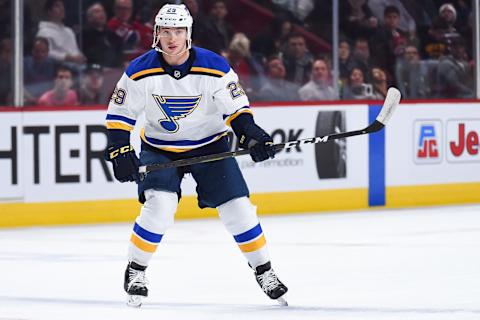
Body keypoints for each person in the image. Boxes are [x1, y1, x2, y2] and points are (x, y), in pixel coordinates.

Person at [104, 4, 288, 307]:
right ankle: (135, 270)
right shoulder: (139, 71)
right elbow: (119, 114)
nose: (172, 38)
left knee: (239, 209)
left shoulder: (214, 66)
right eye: (166, 31)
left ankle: (264, 270)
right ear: (156, 34)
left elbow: (237, 111)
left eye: (178, 31)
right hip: (160, 147)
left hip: (211, 144)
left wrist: (250, 134)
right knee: (159, 207)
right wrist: (120, 148)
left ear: (188, 34)